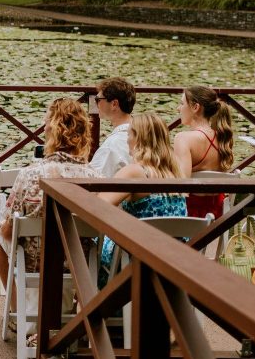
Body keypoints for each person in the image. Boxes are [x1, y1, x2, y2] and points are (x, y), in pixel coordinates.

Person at [0, 98, 99, 312]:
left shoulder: (30, 175)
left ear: (52, 130)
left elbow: (8, 229)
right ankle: (77, 317)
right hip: (79, 265)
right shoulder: (96, 178)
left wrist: (3, 229)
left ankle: (15, 311)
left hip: (35, 263)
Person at [98, 112, 187, 277]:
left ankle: (87, 300)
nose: (126, 139)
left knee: (85, 246)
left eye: (129, 133)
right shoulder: (176, 174)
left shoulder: (134, 172)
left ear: (138, 138)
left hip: (136, 261)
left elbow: (97, 206)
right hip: (174, 263)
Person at [174, 86, 234, 219]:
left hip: (190, 217)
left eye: (182, 103)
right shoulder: (223, 138)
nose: (178, 108)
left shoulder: (183, 139)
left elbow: (180, 187)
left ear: (195, 107)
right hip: (219, 217)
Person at [89, 77, 135, 178]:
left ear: (114, 104)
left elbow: (93, 181)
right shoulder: (144, 132)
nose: (96, 104)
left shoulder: (111, 146)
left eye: (98, 100)